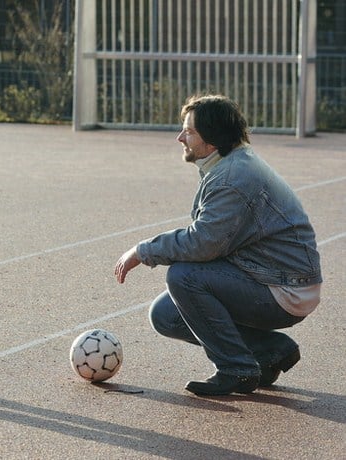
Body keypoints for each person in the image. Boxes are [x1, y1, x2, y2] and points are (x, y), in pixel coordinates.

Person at [114, 95, 322, 396]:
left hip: (286, 290)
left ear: (212, 139)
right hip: (269, 276)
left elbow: (202, 243)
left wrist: (142, 251)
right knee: (166, 314)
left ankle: (236, 369)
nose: (180, 137)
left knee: (183, 276)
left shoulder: (232, 178)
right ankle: (268, 349)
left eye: (189, 131)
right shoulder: (230, 161)